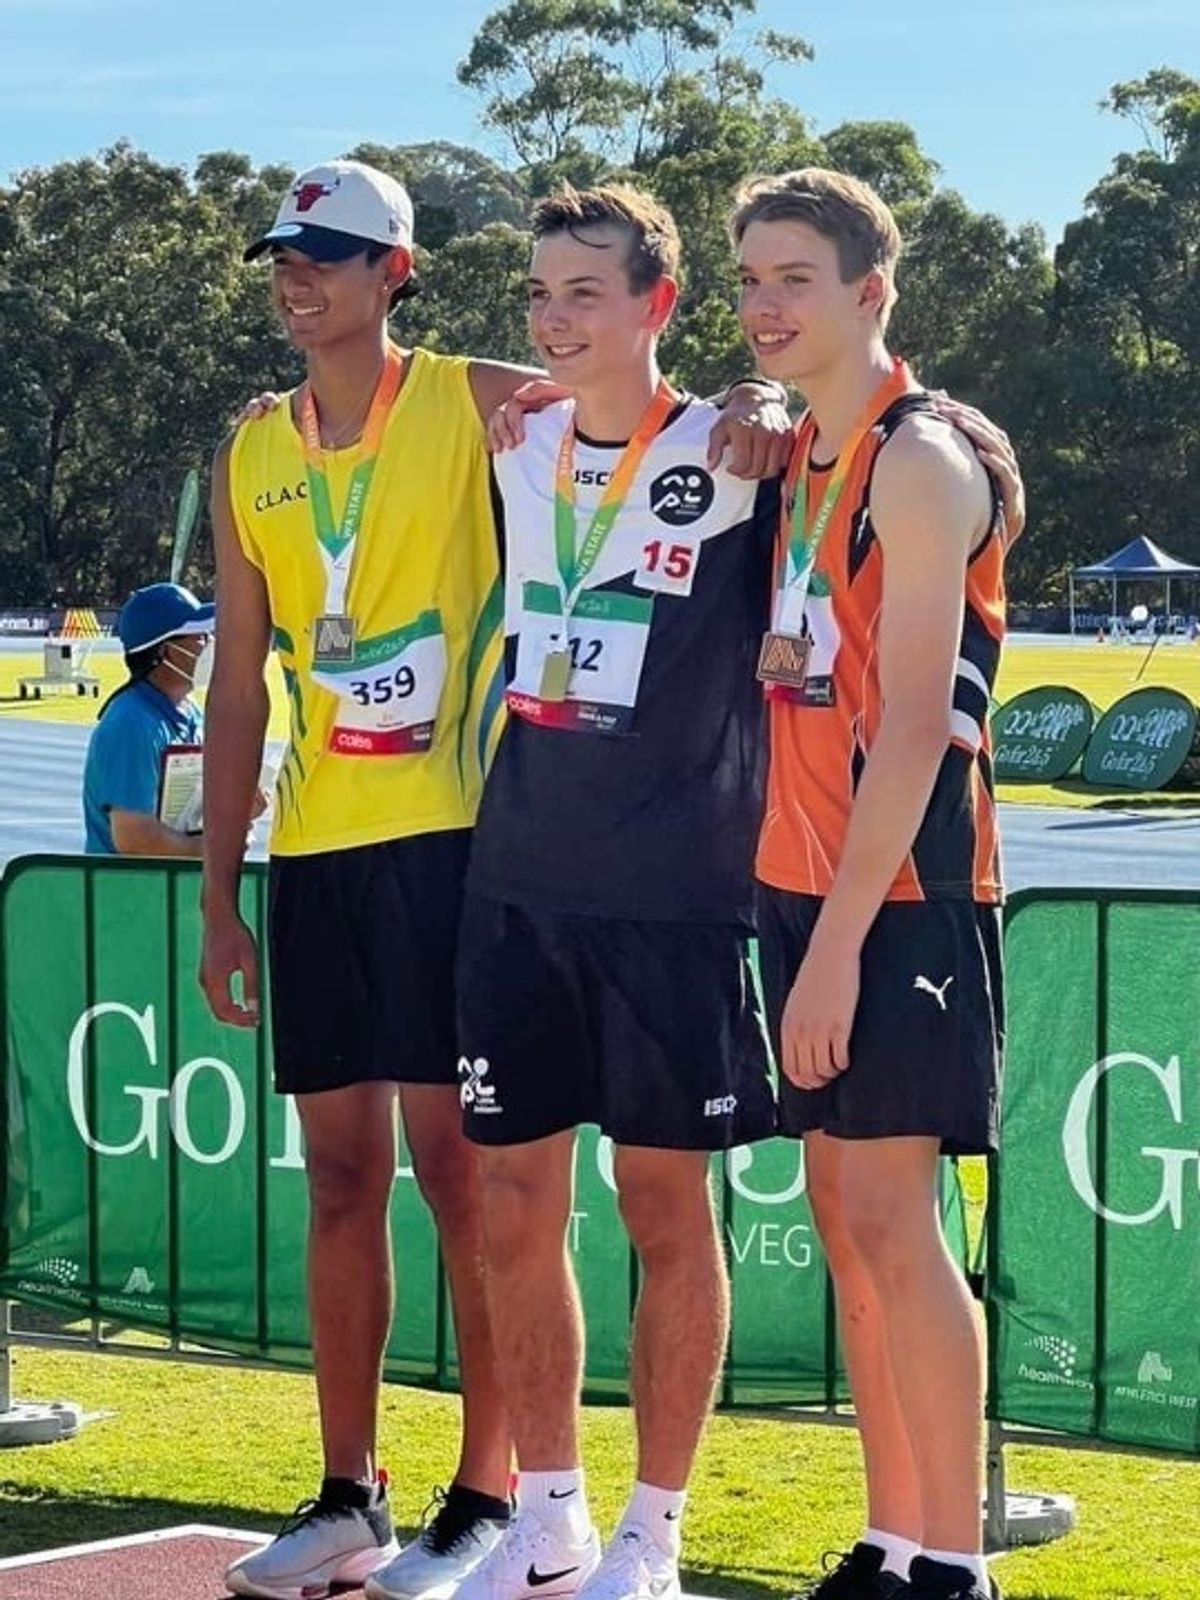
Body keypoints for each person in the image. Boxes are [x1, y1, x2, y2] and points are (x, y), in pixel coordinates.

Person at [200, 159, 785, 1600]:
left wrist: (768, 397)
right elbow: (239, 678)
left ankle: (531, 1501)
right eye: (284, 254)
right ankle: (397, 1497)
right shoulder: (307, 445)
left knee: (529, 1192)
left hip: (501, 849)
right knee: (382, 1184)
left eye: (328, 253)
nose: (297, 276)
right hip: (385, 859)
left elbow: (690, 416)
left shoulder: (492, 406)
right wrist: (219, 889)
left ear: (393, 272)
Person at [452, 185, 781, 1600]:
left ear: (660, 304)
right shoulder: (517, 438)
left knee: (662, 1205)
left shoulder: (741, 449)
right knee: (514, 1201)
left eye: (586, 292)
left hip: (674, 892)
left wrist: (767, 389)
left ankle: (654, 1529)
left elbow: (902, 437)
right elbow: (386, 369)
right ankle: (549, 1514)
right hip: (519, 880)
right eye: (539, 293)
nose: (553, 318)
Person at [735, 168, 1006, 1600]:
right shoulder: (804, 452)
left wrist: (838, 945)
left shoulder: (919, 459)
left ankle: (956, 1560)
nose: (765, 305)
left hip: (900, 896)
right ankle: (893, 1538)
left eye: (795, 277)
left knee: (899, 1228)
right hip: (804, 886)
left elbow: (914, 727)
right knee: (846, 1225)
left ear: (870, 291)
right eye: (749, 280)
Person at [82, 581, 212, 856]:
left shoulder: (191, 713)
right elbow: (134, 837)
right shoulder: (131, 723)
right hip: (131, 883)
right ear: (166, 651)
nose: (210, 643)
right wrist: (206, 851)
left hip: (169, 880)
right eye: (200, 636)